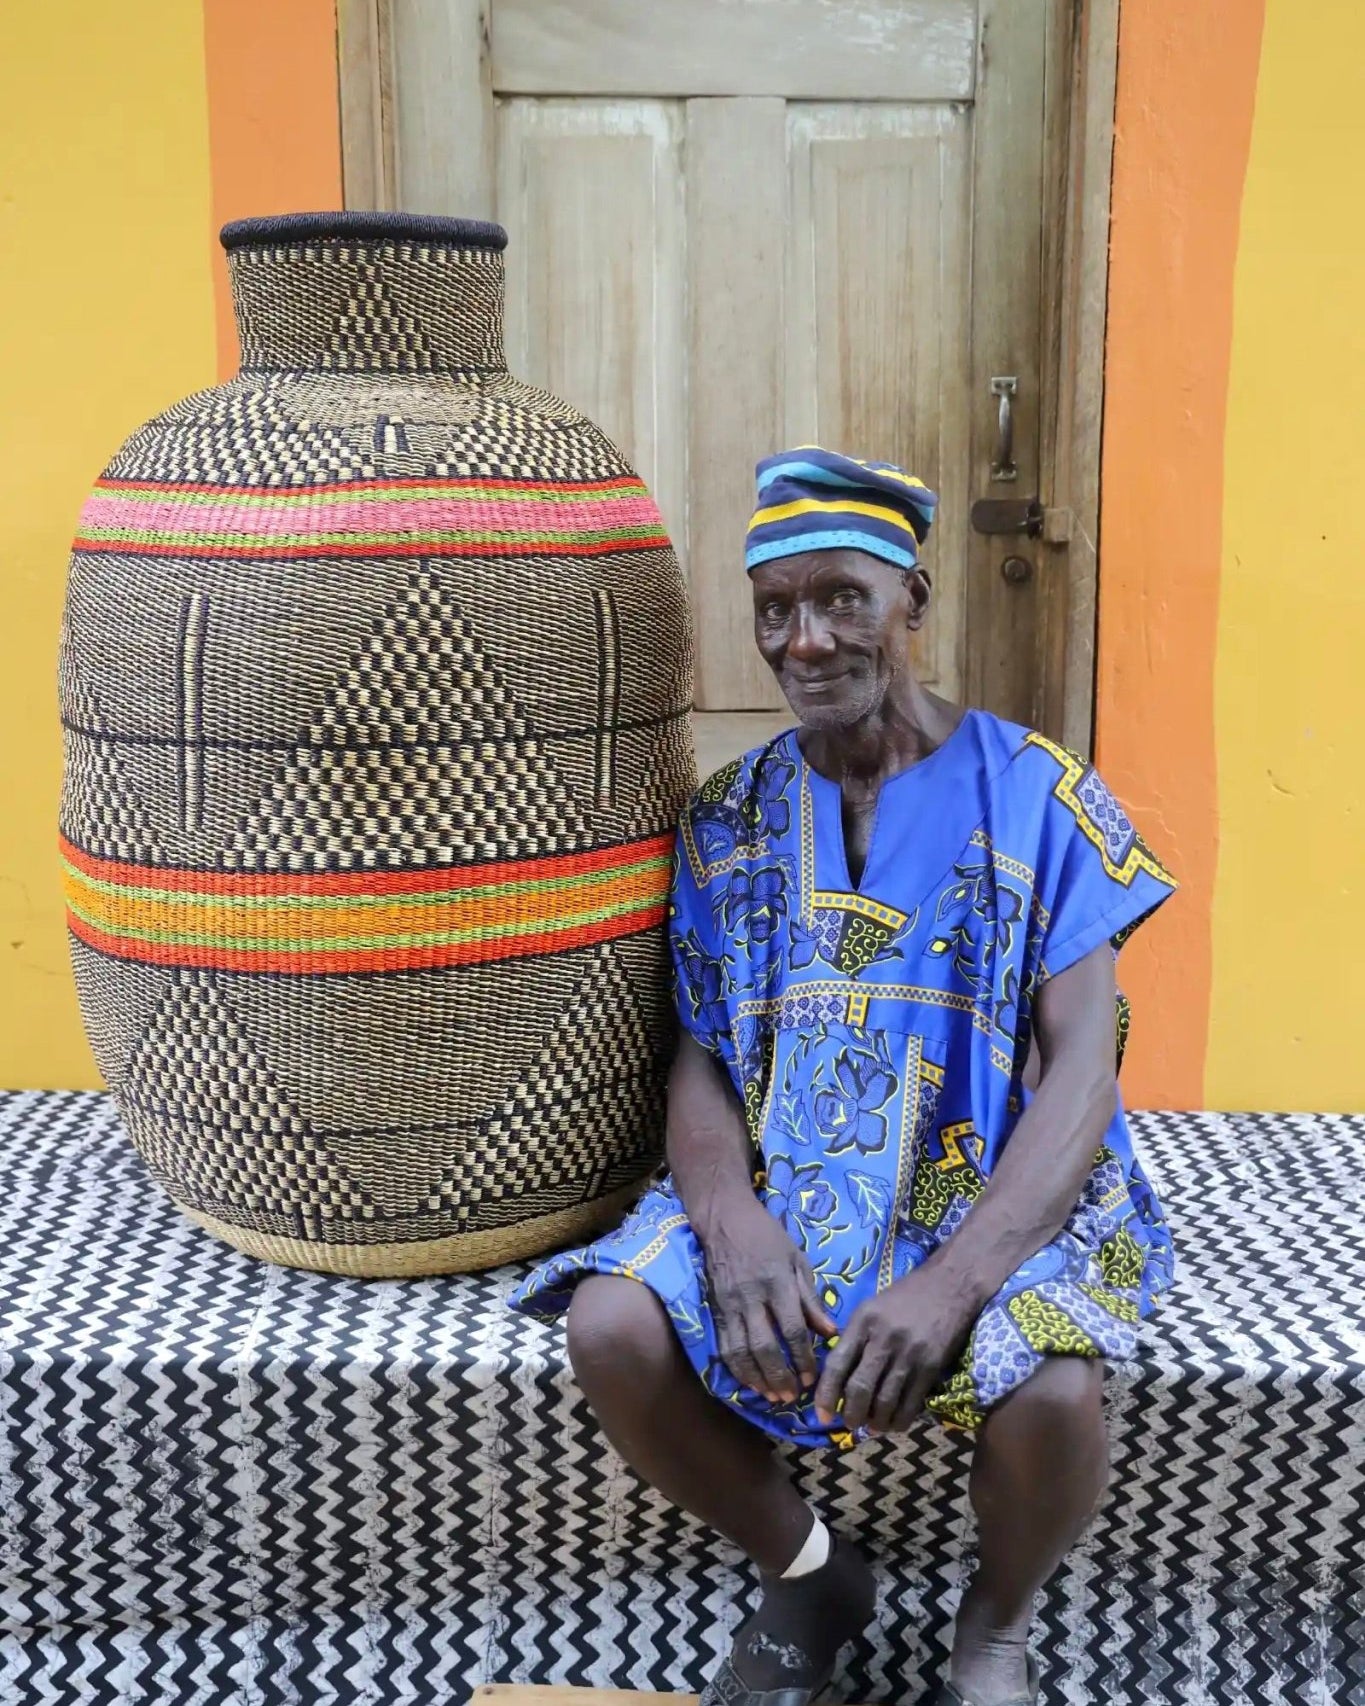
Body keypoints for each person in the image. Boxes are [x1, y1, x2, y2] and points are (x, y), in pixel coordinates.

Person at [509, 446, 1177, 1706]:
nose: (805, 639)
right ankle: (811, 1574)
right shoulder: (730, 816)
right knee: (609, 1324)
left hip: (989, 1197)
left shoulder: (1040, 794)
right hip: (793, 1186)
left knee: (1052, 1388)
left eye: (841, 599)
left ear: (912, 598)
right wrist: (730, 1222)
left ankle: (994, 1623)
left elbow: (1087, 1067)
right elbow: (702, 1046)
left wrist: (953, 1281)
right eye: (776, 608)